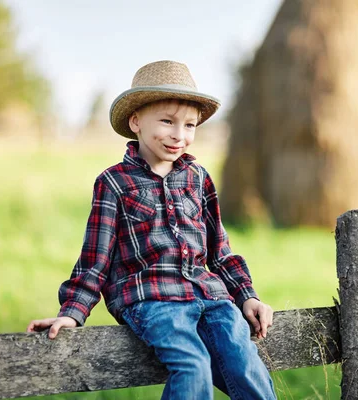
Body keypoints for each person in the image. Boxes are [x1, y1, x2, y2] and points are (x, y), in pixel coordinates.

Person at [26, 60, 277, 399]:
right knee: (193, 365)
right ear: (136, 122)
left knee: (244, 363)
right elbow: (94, 261)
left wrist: (247, 296)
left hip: (210, 297)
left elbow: (220, 250)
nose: (179, 135)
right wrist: (71, 313)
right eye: (167, 121)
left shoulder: (198, 179)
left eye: (189, 125)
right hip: (152, 299)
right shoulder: (114, 183)